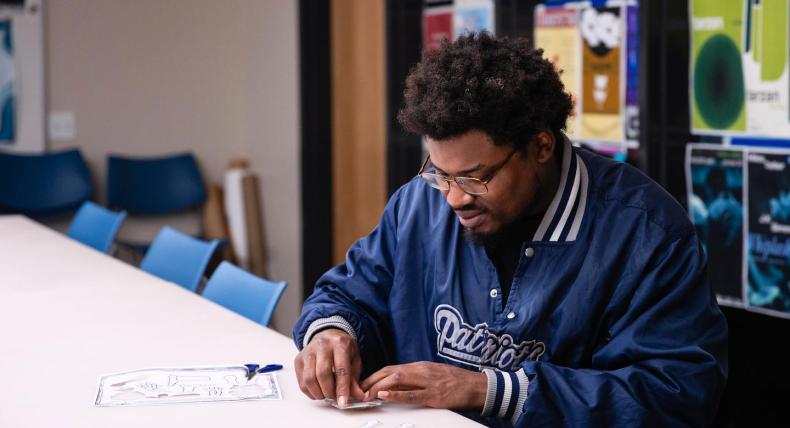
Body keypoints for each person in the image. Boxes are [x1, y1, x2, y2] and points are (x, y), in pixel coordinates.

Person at [293, 33, 727, 427]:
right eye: (440, 174)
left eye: (475, 177)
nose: (453, 199)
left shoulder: (646, 234)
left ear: (541, 146)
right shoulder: (419, 204)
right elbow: (350, 292)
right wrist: (332, 332)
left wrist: (490, 390)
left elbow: (672, 397)